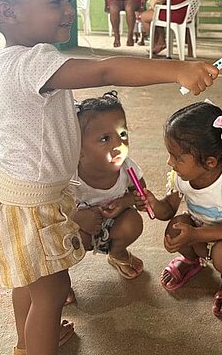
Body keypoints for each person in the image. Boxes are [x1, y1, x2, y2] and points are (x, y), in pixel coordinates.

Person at [0, 0, 218, 355]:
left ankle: (27, 342)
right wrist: (177, 69)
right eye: (55, 1)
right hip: (35, 203)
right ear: (9, 12)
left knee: (28, 283)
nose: (66, 9)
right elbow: (104, 69)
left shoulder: (7, 61)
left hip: (16, 198)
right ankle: (35, 345)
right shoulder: (34, 62)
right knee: (51, 291)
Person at [134, 101, 222, 317]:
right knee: (174, 227)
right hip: (199, 229)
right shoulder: (180, 176)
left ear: (210, 162)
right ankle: (191, 261)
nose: (170, 162)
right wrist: (153, 202)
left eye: (177, 157)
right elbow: (167, 210)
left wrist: (195, 235)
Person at [67, 91, 145, 303]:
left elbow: (141, 195)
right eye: (105, 139)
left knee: (133, 222)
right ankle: (60, 281)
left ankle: (118, 253)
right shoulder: (69, 176)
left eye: (123, 134)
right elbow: (51, 211)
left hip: (112, 225)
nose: (118, 144)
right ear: (78, 150)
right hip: (76, 228)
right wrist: (78, 218)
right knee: (62, 243)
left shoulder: (127, 169)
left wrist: (126, 202)